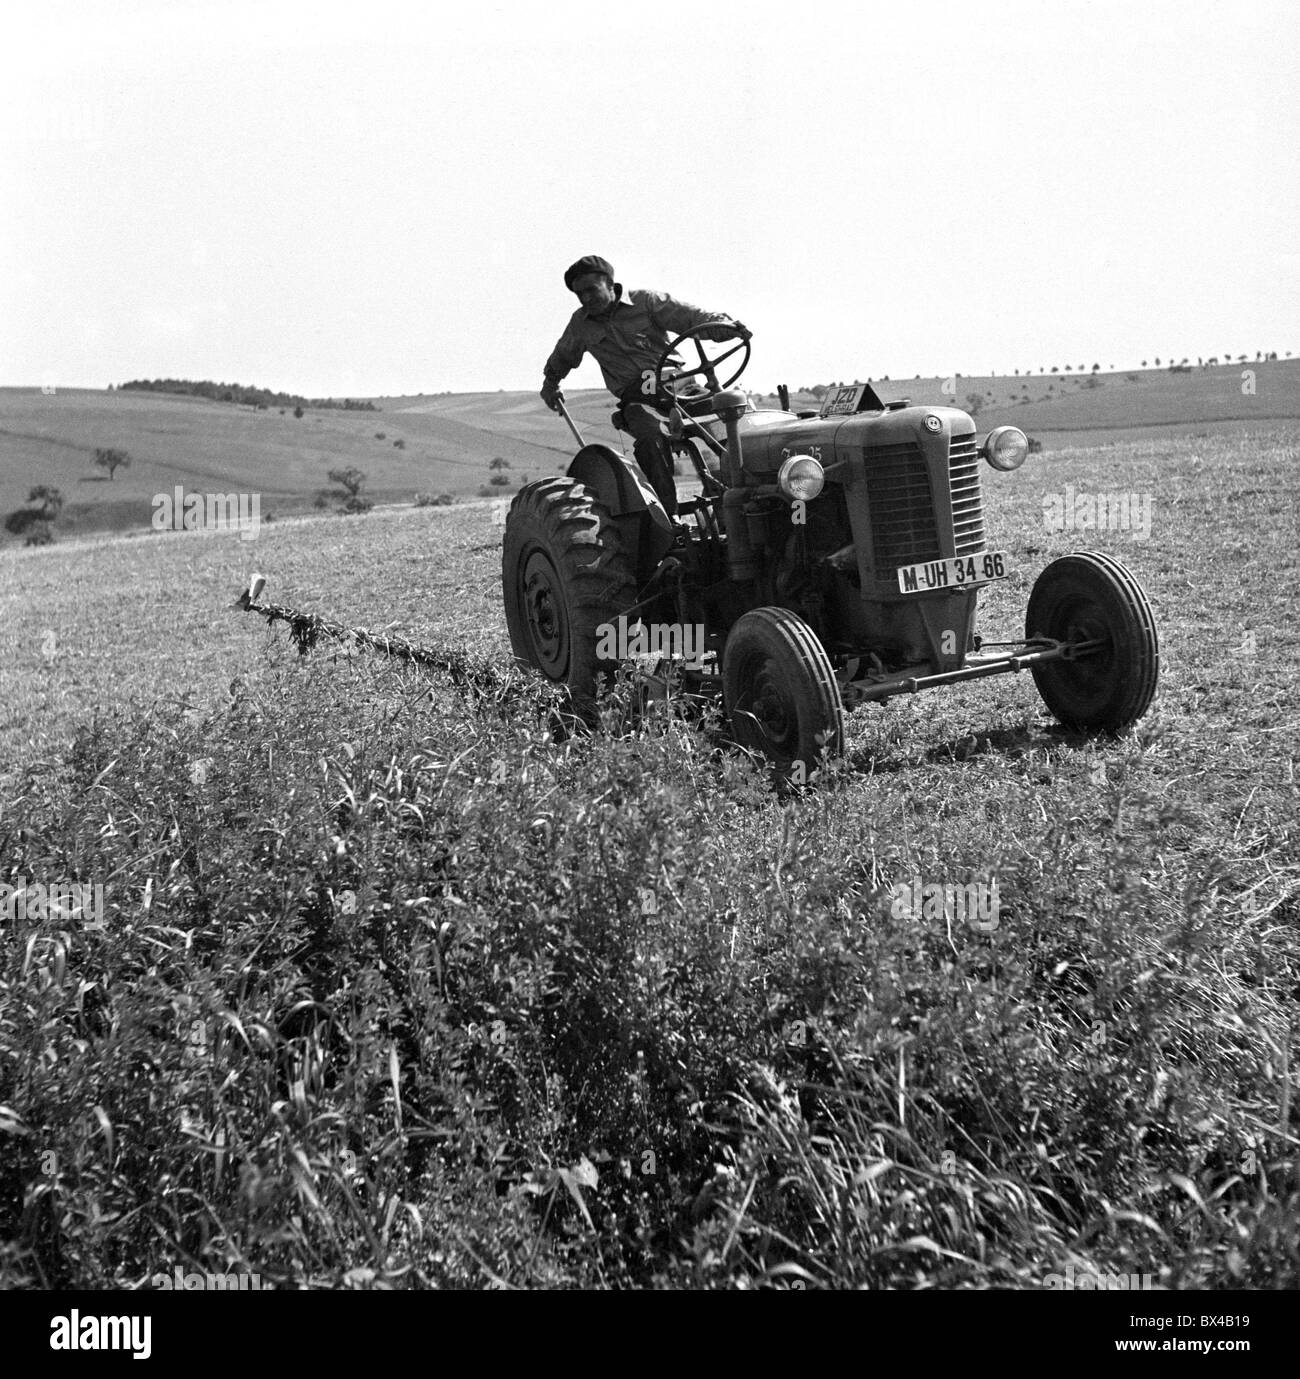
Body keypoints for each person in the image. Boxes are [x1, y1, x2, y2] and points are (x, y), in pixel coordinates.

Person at [540, 255, 749, 516]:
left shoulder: (646, 302)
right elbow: (563, 356)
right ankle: (668, 519)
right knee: (650, 439)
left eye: (591, 290)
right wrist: (551, 383)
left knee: (733, 418)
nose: (586, 299)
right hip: (639, 400)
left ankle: (740, 500)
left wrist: (724, 326)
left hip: (681, 388)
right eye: (579, 294)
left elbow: (691, 318)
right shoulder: (580, 325)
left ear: (609, 283)